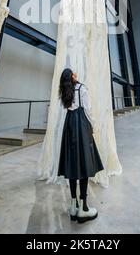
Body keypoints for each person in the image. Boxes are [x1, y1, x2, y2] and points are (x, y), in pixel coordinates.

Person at [57, 68, 104, 223]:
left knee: (72, 164)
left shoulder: (64, 90)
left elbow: (68, 108)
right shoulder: (81, 88)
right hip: (81, 124)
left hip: (69, 124)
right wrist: (93, 126)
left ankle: (73, 205)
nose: (76, 75)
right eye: (74, 73)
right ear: (71, 76)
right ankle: (84, 208)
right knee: (83, 163)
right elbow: (88, 110)